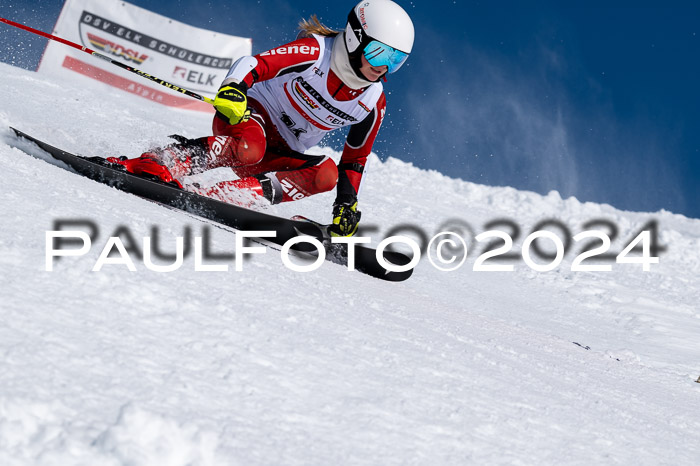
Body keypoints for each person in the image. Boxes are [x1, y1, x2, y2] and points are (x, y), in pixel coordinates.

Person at [108, 0, 414, 237]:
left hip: (278, 152)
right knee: (250, 147)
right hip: (248, 121)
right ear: (355, 39)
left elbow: (354, 161)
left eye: (396, 60)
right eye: (379, 53)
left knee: (326, 175)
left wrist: (345, 203)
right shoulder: (316, 52)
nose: (384, 67)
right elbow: (254, 63)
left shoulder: (372, 102)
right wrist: (233, 89)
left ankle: (229, 196)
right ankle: (160, 161)